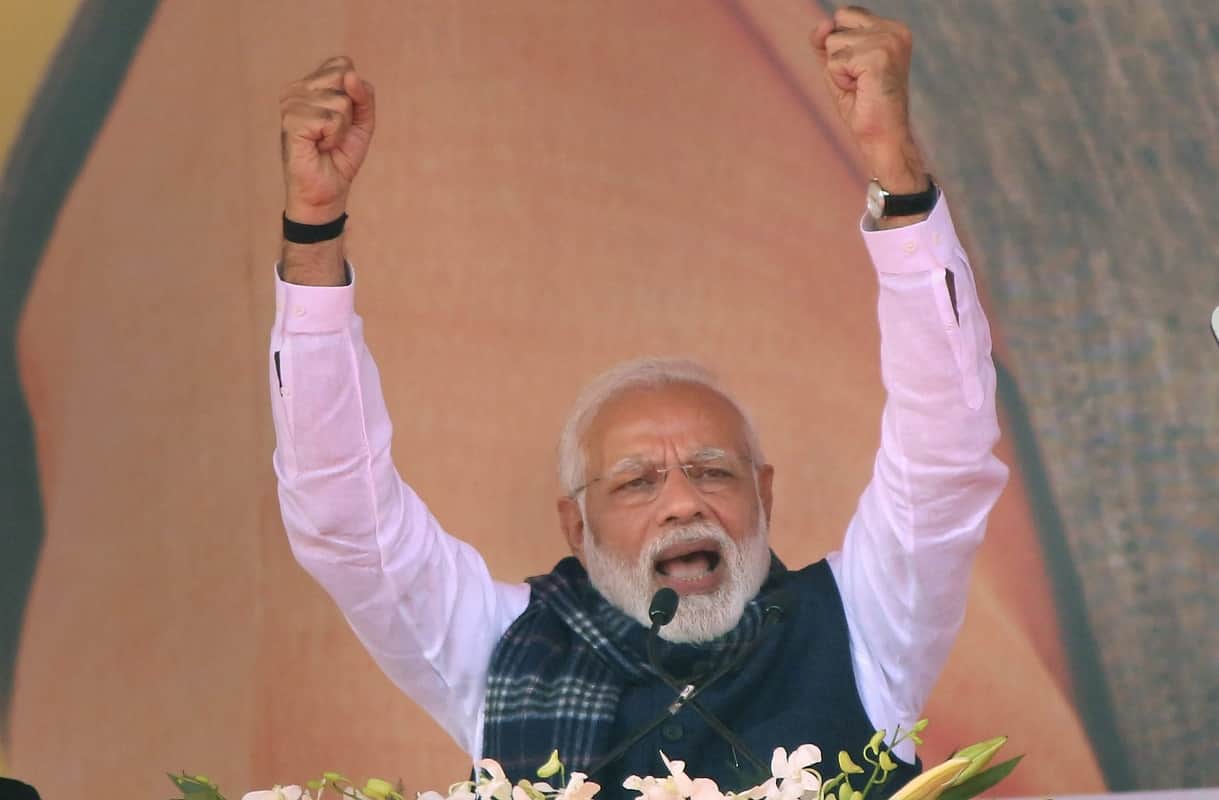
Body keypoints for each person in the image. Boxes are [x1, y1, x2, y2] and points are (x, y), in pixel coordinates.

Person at [271, 6, 1007, 795]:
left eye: (714, 472)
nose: (681, 504)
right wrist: (313, 229)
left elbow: (944, 457)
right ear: (573, 526)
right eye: (635, 482)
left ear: (763, 494)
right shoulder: (496, 649)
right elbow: (344, 522)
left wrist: (893, 167)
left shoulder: (866, 623)